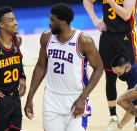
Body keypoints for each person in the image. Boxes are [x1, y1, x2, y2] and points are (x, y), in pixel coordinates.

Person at [24, 3, 103, 131]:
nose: (49, 23)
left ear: (63, 23)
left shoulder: (83, 41)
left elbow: (99, 68)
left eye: (52, 20)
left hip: (76, 98)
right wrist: (30, 97)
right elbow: (40, 66)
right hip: (51, 100)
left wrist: (83, 98)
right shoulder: (46, 37)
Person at [83, 0, 137, 130]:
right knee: (110, 77)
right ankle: (113, 117)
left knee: (133, 76)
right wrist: (95, 19)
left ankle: (136, 118)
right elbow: (87, 1)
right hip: (107, 38)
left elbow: (126, 15)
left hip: (125, 37)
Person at [111, 54, 137, 130]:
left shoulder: (134, 78)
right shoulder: (133, 70)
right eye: (116, 74)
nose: (118, 76)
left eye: (119, 73)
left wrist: (119, 126)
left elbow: (133, 108)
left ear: (128, 67)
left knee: (122, 101)